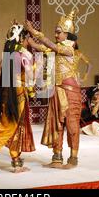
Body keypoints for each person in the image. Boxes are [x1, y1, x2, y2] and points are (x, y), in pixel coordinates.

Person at [25, 10, 90, 169]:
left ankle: (73, 158)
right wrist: (27, 38)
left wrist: (34, 31)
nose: (56, 34)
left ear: (68, 34)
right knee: (56, 124)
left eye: (59, 32)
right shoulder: (58, 48)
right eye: (55, 32)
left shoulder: (70, 49)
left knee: (72, 125)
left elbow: (50, 45)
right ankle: (57, 157)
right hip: (58, 90)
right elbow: (41, 47)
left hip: (70, 92)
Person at [0, 23, 36, 174]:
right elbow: (31, 77)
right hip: (17, 94)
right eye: (26, 38)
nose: (27, 42)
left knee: (15, 127)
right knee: (8, 127)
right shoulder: (24, 55)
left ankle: (16, 161)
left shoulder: (8, 55)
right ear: (21, 39)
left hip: (8, 92)